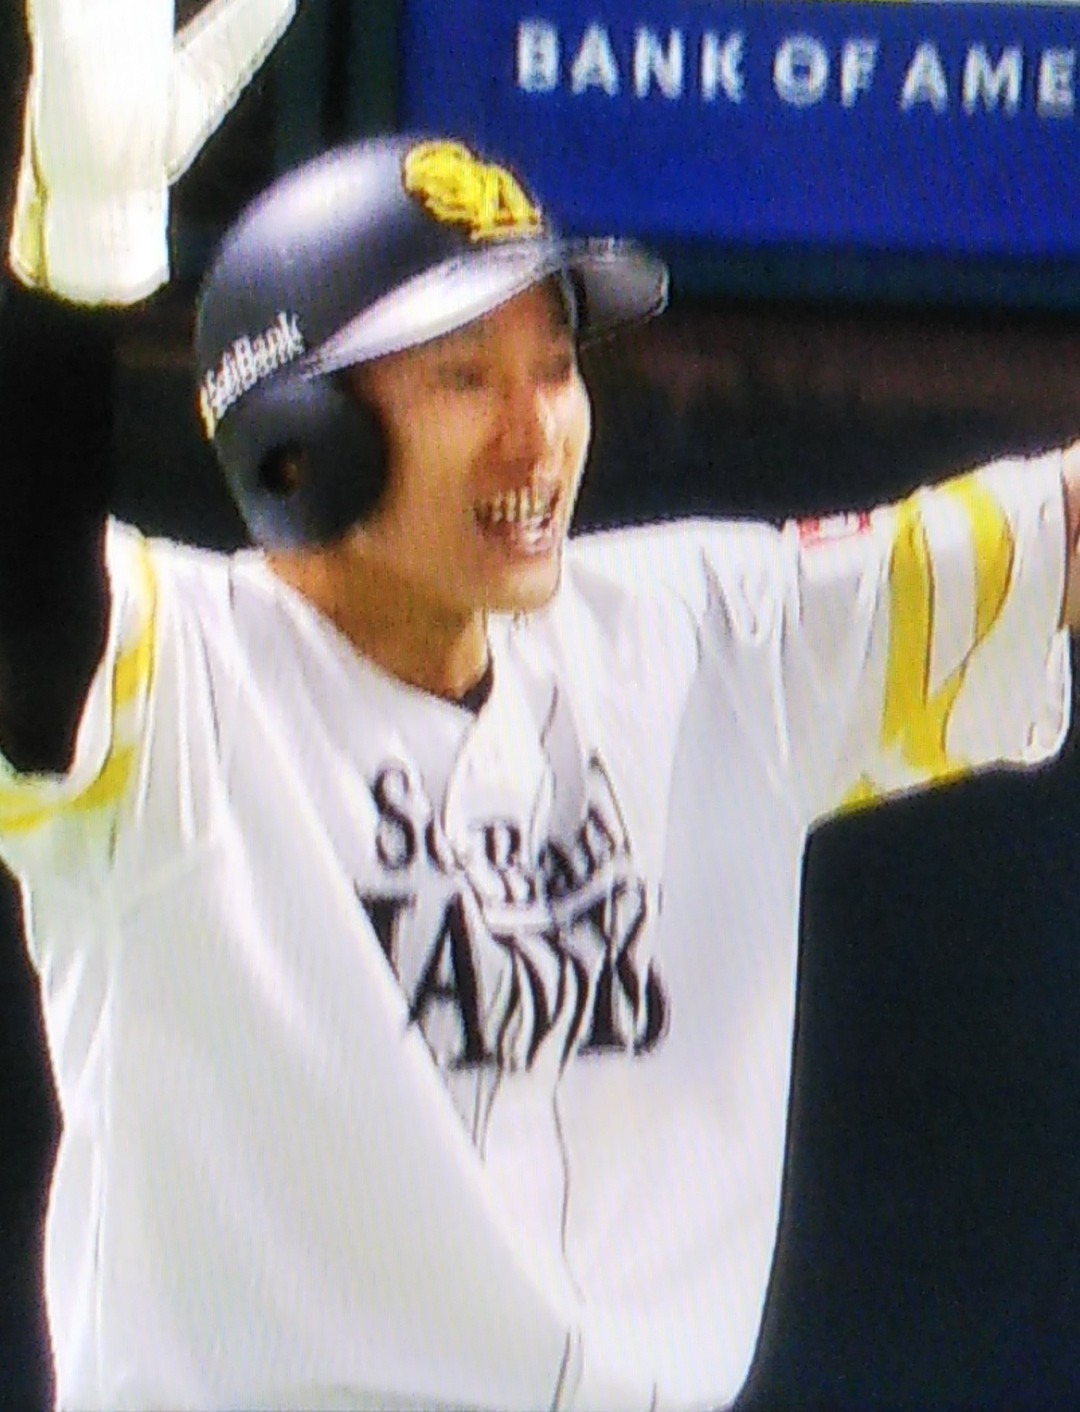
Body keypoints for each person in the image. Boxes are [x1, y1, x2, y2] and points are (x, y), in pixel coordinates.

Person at [3, 3, 1079, 1411]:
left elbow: (1055, 534)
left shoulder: (692, 637)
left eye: (556, 367)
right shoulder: (178, 692)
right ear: (301, 445)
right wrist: (72, 283)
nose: (537, 435)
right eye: (462, 378)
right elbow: (30, 616)